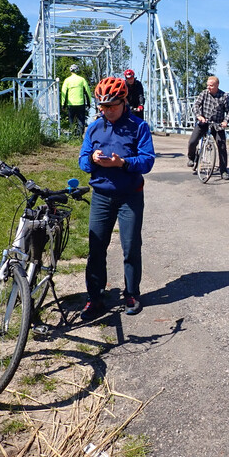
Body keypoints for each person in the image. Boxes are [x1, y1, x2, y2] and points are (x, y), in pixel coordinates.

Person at [78, 76, 156, 319]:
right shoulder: (94, 127)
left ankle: (131, 293)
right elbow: (82, 160)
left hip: (129, 196)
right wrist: (92, 159)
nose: (107, 111)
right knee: (96, 247)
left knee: (131, 246)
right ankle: (95, 298)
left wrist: (123, 163)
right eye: (102, 106)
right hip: (101, 195)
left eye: (111, 105)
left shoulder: (138, 126)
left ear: (124, 102)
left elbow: (148, 160)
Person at [186, 76, 229, 181]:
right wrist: (199, 116)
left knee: (222, 146)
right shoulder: (204, 93)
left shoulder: (224, 96)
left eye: (211, 85)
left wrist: (225, 121)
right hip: (203, 122)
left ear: (217, 85)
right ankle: (192, 158)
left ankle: (224, 171)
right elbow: (196, 106)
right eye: (207, 85)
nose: (208, 87)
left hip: (217, 125)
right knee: (192, 141)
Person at [61, 64, 93, 136]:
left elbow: (64, 93)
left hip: (71, 104)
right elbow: (88, 91)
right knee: (81, 120)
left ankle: (72, 135)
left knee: (71, 120)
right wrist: (89, 102)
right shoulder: (82, 80)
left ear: (70, 71)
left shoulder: (67, 80)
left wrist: (63, 104)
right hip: (80, 103)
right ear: (77, 71)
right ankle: (80, 136)